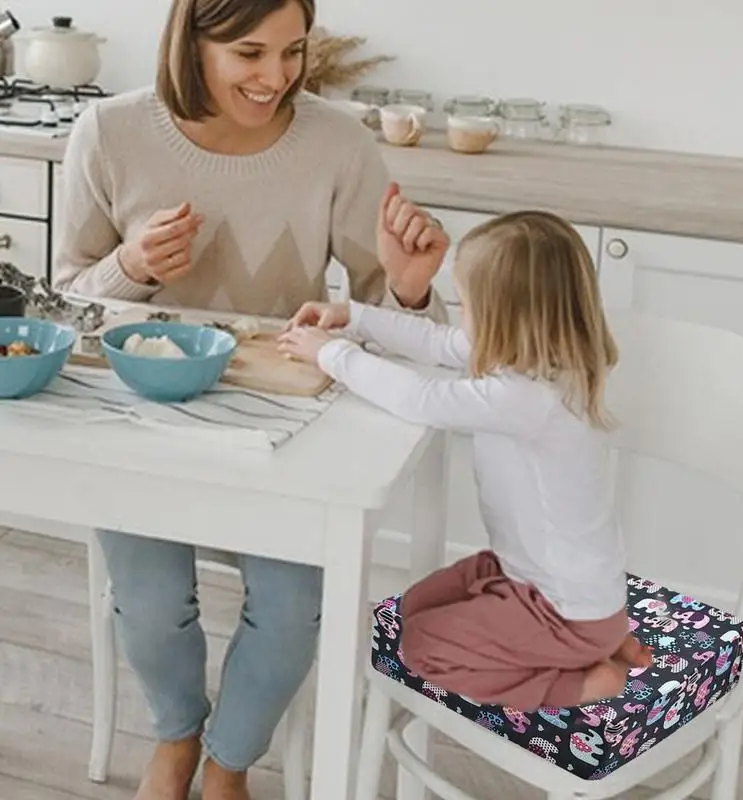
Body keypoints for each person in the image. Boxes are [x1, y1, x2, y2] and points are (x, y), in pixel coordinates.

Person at [53, 0, 449, 797]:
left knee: (296, 600)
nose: (276, 78)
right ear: (190, 42)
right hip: (143, 414)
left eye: (293, 52)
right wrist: (131, 263)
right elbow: (64, 305)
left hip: (285, 414)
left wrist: (408, 293)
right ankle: (177, 738)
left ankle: (229, 761)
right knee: (152, 597)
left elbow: (408, 328)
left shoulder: (337, 143)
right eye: (249, 53)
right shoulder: (109, 132)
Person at [278, 210, 653, 713]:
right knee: (407, 611)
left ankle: (582, 679)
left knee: (421, 645)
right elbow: (438, 343)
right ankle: (597, 640)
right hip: (546, 584)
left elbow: (422, 398)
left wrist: (332, 355)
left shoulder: (530, 397)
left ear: (507, 314)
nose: (463, 316)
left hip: (558, 609)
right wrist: (355, 317)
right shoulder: (550, 360)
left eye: (468, 304)